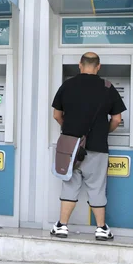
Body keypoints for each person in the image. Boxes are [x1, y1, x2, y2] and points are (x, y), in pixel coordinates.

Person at [50, 52, 126, 241]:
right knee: (97, 187)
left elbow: (56, 115)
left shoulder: (67, 85)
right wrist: (103, 131)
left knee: (69, 184)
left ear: (80, 65)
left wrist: (70, 131)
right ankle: (101, 228)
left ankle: (62, 226)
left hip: (70, 148)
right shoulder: (108, 87)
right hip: (97, 147)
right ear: (98, 66)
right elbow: (117, 119)